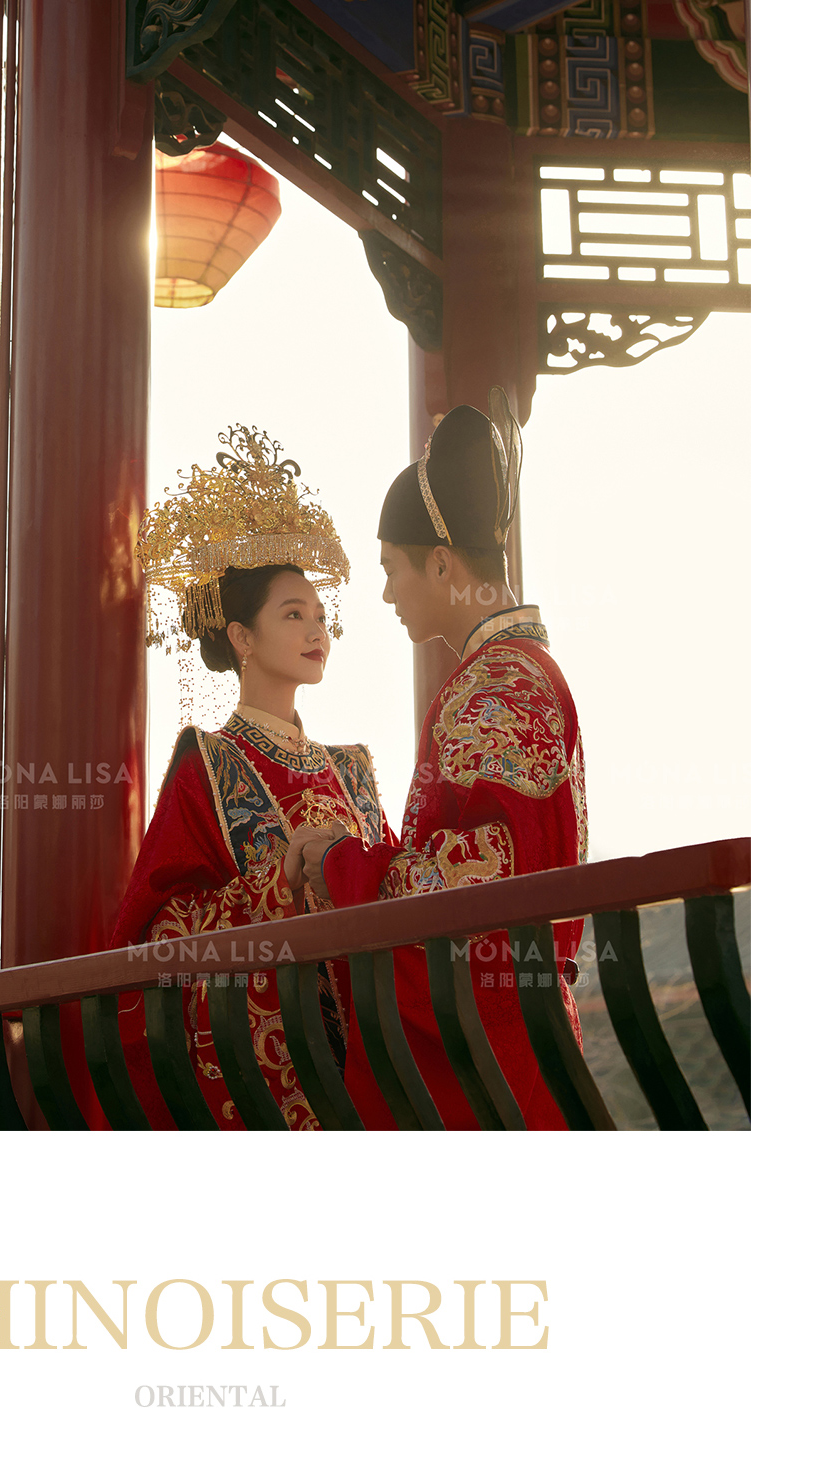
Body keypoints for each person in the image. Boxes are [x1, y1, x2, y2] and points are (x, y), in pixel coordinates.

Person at [299, 388, 588, 1131]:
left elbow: (483, 878)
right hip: (525, 1037)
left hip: (491, 1057)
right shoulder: (521, 671)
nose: (386, 592)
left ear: (438, 563)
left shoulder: (495, 686)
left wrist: (341, 865)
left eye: (391, 567)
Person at [110, 424, 393, 1130]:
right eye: (293, 614)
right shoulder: (208, 765)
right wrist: (280, 884)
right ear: (241, 636)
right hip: (274, 1066)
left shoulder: (353, 770)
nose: (317, 631)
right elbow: (163, 934)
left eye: (320, 615)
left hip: (372, 1053)